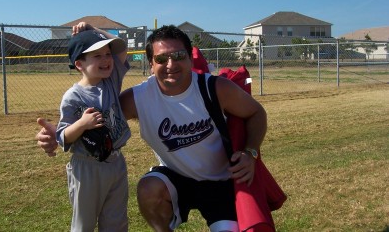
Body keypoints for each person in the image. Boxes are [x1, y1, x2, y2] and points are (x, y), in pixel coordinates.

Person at [37, 25, 267, 232]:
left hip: (220, 182)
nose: (171, 65)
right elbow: (99, 120)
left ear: (189, 58)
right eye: (161, 58)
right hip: (177, 180)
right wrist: (56, 134)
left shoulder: (214, 88)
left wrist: (250, 152)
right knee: (148, 188)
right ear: (150, 64)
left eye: (178, 56)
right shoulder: (138, 98)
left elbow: (257, 113)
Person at [52, 23, 131, 232]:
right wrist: (82, 124)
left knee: (116, 222)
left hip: (115, 162)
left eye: (107, 54)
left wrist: (93, 29)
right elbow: (63, 136)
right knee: (84, 224)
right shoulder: (73, 96)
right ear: (79, 64)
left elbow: (121, 49)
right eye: (97, 56)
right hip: (87, 166)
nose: (106, 60)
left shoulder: (111, 81)